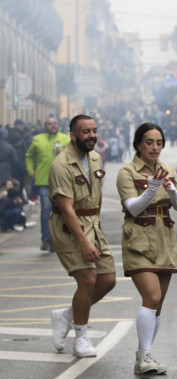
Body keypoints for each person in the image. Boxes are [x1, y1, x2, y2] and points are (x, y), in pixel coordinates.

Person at [117, 122, 177, 374]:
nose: (155, 147)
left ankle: (144, 356)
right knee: (152, 297)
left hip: (164, 235)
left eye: (159, 142)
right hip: (139, 236)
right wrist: (154, 187)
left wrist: (170, 189)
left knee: (158, 304)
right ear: (138, 144)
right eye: (149, 142)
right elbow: (133, 207)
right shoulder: (127, 171)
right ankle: (143, 356)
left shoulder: (167, 169)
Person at [47, 115, 116, 358]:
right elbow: (66, 210)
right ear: (73, 135)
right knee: (87, 279)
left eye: (94, 130)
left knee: (107, 280)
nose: (92, 135)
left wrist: (94, 231)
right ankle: (81, 337)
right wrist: (84, 242)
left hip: (92, 224)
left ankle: (67, 314)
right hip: (69, 227)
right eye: (85, 132)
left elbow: (94, 196)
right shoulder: (61, 165)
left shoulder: (95, 157)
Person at [25, 116, 70, 251]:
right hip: (43, 180)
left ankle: (60, 239)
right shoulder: (37, 139)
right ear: (45, 126)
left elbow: (73, 156)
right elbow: (29, 156)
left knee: (63, 210)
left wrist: (63, 153)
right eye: (49, 123)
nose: (53, 125)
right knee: (46, 210)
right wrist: (30, 170)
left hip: (61, 180)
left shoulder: (65, 139)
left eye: (55, 123)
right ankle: (46, 239)